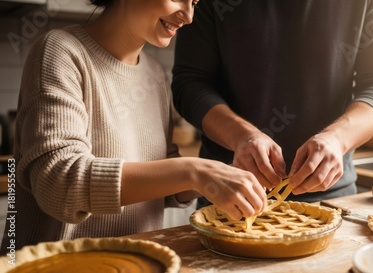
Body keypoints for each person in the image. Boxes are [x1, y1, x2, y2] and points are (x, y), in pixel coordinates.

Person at [0, 0, 267, 255]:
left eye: (194, 3)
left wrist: (217, 178)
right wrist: (195, 171)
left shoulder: (155, 74)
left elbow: (161, 175)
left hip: (137, 263)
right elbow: (59, 183)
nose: (188, 16)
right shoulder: (60, 51)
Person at [172, 0, 373, 208]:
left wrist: (338, 139)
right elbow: (190, 83)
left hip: (332, 199)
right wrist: (241, 136)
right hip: (229, 196)